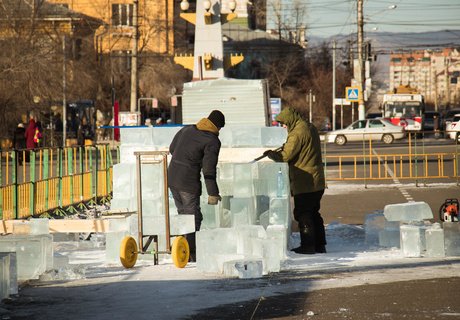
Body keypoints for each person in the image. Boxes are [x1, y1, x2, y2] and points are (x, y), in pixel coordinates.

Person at [264, 107, 327, 254]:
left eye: (284, 123)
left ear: (290, 120)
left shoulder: (297, 132)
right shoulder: (309, 127)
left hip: (305, 180)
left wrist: (272, 155)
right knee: (313, 212)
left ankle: (308, 245)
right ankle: (319, 244)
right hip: (317, 179)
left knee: (302, 213)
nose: (284, 126)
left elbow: (286, 156)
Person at [168, 110, 225, 260]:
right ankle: (190, 254)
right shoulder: (212, 141)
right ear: (218, 127)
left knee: (183, 215)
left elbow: (172, 149)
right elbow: (208, 169)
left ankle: (180, 248)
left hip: (172, 177)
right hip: (187, 182)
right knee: (193, 218)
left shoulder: (187, 129)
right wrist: (213, 192)